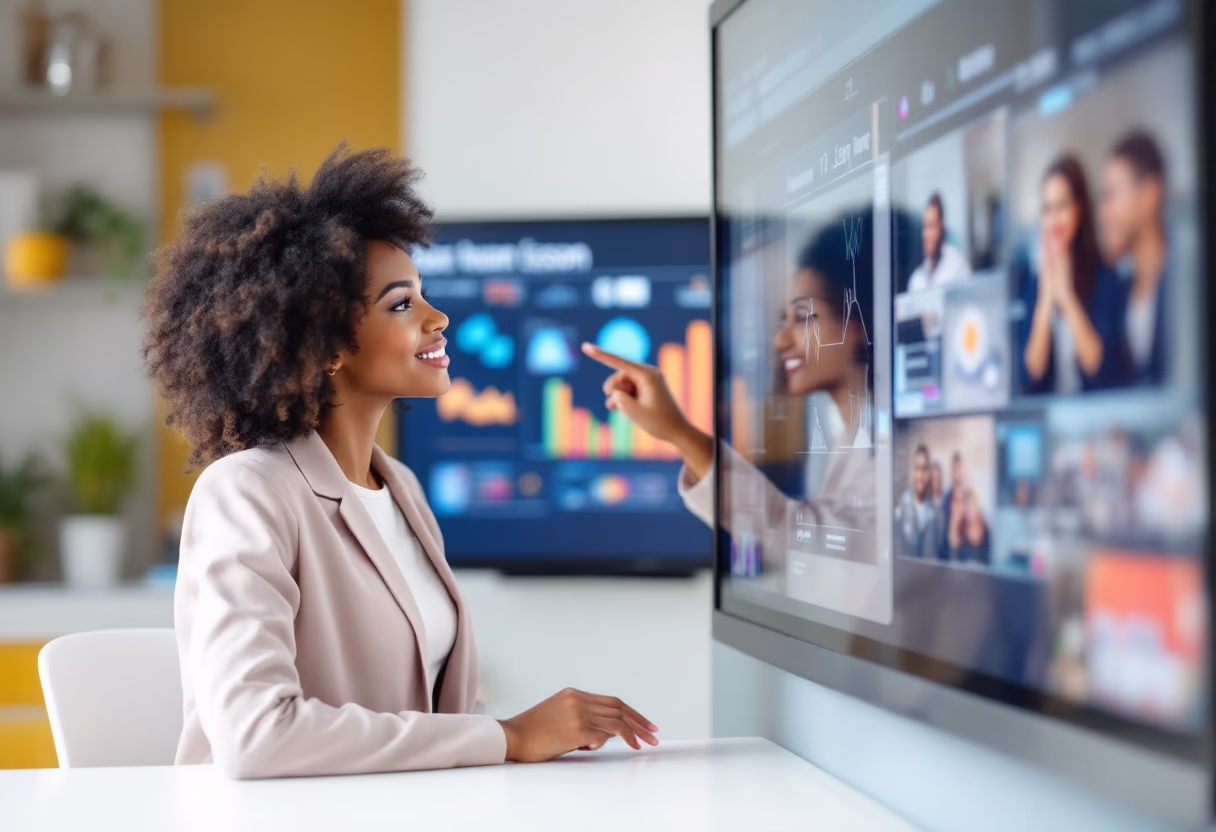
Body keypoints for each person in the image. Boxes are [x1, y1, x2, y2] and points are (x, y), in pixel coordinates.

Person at [143, 145, 657, 780]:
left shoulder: (401, 488)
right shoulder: (248, 491)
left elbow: (430, 713)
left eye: (423, 296)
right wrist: (508, 737)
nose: (438, 318)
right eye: (401, 304)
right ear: (326, 346)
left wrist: (521, 742)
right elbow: (257, 738)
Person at [581, 209, 878, 568]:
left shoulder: (893, 447)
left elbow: (806, 546)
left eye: (803, 318)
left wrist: (679, 433)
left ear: (858, 322)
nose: (781, 340)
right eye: (783, 321)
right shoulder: (852, 438)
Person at [1019, 155, 1123, 394]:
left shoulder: (1105, 278)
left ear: (1079, 208)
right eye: (1047, 209)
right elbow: (1031, 374)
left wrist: (1067, 297)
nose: (1054, 220)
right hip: (1051, 415)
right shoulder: (1033, 284)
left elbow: (1101, 370)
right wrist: (1046, 298)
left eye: (1062, 207)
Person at [1100, 130, 1169, 386]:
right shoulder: (1120, 292)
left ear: (1150, 195)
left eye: (1113, 194)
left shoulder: (1187, 286)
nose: (1104, 212)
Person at [906, 192, 971, 292]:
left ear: (941, 227)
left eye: (931, 226)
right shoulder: (917, 278)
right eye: (924, 227)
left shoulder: (957, 267)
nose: (926, 235)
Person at [894, 445, 941, 559]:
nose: (920, 475)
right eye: (917, 468)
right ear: (912, 471)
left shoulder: (934, 513)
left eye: (924, 469)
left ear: (929, 473)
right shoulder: (901, 507)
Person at [946, 486, 990, 565]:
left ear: (977, 507)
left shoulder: (985, 528)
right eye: (967, 505)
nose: (970, 509)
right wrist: (954, 520)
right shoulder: (961, 527)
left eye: (972, 505)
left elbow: (987, 561)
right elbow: (952, 553)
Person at [938, 452, 965, 561]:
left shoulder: (969, 498)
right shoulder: (945, 501)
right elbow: (942, 538)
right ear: (951, 472)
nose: (957, 473)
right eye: (954, 469)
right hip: (948, 557)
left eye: (959, 468)